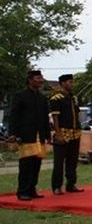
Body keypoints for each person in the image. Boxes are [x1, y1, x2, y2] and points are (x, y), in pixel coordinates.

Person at [8, 70, 50, 201]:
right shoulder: (20, 96)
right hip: (26, 135)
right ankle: (23, 191)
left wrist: (48, 134)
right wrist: (13, 133)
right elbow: (14, 116)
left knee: (36, 165)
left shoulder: (42, 98)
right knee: (26, 165)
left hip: (39, 136)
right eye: (38, 78)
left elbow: (45, 118)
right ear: (30, 80)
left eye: (41, 78)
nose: (41, 80)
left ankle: (32, 189)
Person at [49, 74, 84, 195]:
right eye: (69, 82)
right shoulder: (56, 98)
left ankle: (71, 184)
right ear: (62, 83)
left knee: (72, 160)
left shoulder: (73, 98)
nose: (72, 84)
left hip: (75, 132)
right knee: (59, 162)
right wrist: (58, 133)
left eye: (72, 82)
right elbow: (55, 117)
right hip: (62, 132)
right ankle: (57, 186)